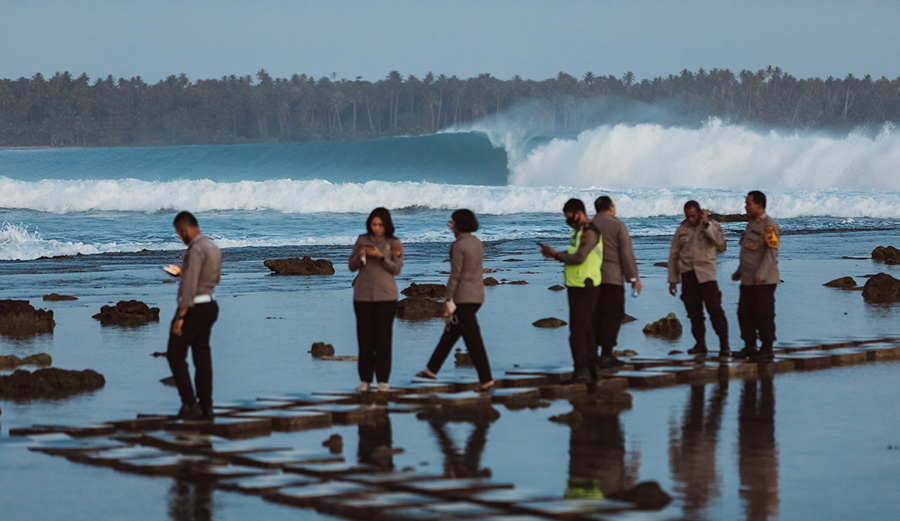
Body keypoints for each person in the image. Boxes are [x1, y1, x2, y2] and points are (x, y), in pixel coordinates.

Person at [416, 209, 494, 392]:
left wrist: (447, 299)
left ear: (460, 224)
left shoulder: (459, 246)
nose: (449, 225)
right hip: (477, 295)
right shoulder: (477, 242)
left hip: (464, 297)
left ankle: (486, 380)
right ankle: (431, 369)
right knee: (451, 332)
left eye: (452, 222)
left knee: (473, 339)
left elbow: (456, 275)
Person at [166, 211, 222, 420]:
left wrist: (180, 317)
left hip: (194, 307)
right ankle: (206, 407)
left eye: (178, 233)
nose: (179, 237)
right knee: (202, 357)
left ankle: (189, 403)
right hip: (210, 304)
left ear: (184, 229)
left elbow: (190, 288)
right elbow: (209, 278)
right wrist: (183, 272)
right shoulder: (212, 247)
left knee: (175, 353)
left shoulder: (195, 250)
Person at [540, 198, 603, 383]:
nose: (569, 221)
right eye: (566, 218)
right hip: (576, 285)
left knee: (578, 332)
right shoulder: (578, 232)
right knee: (586, 330)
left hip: (586, 286)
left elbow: (580, 257)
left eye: (570, 217)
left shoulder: (590, 232)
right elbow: (574, 254)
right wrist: (556, 255)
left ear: (580, 213)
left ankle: (581, 371)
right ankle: (593, 370)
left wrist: (556, 255)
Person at [348, 208, 403, 392]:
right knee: (364, 340)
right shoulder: (362, 240)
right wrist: (361, 255)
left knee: (383, 340)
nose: (376, 228)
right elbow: (351, 266)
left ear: (386, 225)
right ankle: (365, 381)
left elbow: (396, 269)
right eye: (373, 224)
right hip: (362, 296)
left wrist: (380, 256)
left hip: (386, 296)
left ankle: (382, 381)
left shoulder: (393, 242)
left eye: (380, 225)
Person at [667, 200, 730, 356]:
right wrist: (673, 280)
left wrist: (706, 223)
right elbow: (674, 255)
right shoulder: (681, 230)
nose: (690, 219)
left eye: (693, 216)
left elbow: (719, 241)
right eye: (687, 216)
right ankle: (700, 344)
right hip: (688, 275)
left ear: (699, 213)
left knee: (715, 310)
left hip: (707, 275)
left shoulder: (711, 226)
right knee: (694, 313)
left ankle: (724, 345)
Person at [591, 196, 641, 367]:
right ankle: (606, 354)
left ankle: (592, 354)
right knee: (612, 315)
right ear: (611, 207)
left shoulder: (588, 225)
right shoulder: (617, 225)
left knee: (595, 316)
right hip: (612, 278)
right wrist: (633, 278)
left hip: (591, 278)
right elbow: (626, 254)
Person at [731, 190, 780, 362]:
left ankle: (767, 349)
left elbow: (772, 252)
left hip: (763, 281)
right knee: (744, 314)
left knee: (763, 315)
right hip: (748, 279)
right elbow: (749, 252)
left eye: (749, 204)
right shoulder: (751, 224)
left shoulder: (769, 226)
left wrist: (761, 275)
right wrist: (739, 270)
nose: (745, 207)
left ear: (759, 205)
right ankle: (750, 346)